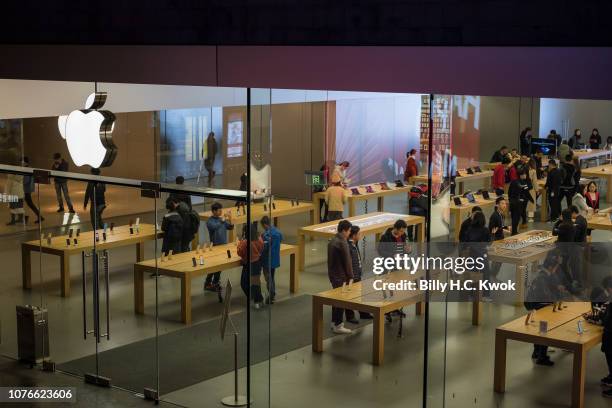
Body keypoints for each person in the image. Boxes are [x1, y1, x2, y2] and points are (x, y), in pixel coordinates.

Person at [525, 250, 564, 366]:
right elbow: (545, 295)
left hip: (536, 307)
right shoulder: (543, 278)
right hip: (542, 308)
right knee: (543, 332)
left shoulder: (542, 275)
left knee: (540, 330)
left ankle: (537, 352)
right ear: (551, 267)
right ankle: (542, 356)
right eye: (555, 267)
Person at [327, 220, 354, 334]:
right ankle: (338, 324)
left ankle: (334, 322)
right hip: (342, 276)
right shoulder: (343, 243)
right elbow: (347, 261)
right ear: (344, 230)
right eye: (349, 231)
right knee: (342, 300)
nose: (349, 234)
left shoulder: (332, 241)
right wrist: (351, 276)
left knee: (335, 299)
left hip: (333, 275)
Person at [204, 202, 234, 291]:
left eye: (221, 210)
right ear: (214, 211)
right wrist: (223, 219)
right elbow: (214, 227)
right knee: (214, 266)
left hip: (223, 246)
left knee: (220, 267)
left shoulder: (222, 219)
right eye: (219, 210)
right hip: (215, 246)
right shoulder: (210, 221)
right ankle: (208, 283)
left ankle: (215, 283)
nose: (221, 212)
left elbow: (230, 227)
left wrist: (230, 218)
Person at [346, 225, 373, 320]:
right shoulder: (348, 246)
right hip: (352, 275)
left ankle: (363, 313)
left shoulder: (355, 243)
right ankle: (350, 316)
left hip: (357, 273)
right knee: (349, 296)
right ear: (354, 235)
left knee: (360, 294)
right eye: (359, 233)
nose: (361, 235)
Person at [465, 211, 493, 299]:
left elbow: (466, 242)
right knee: (485, 275)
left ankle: (472, 293)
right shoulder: (485, 230)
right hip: (482, 256)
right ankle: (485, 295)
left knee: (472, 275)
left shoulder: (469, 229)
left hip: (472, 255)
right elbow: (489, 243)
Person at [238, 223, 265, 308]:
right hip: (257, 263)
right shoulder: (259, 239)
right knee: (256, 282)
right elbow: (262, 248)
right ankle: (259, 299)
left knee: (244, 283)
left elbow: (240, 252)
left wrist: (240, 243)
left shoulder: (245, 242)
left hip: (248, 264)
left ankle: (253, 297)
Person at [260, 215, 282, 304]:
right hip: (275, 258)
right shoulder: (278, 232)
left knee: (268, 278)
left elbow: (264, 247)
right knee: (272, 277)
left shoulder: (266, 235)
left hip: (267, 259)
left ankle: (271, 294)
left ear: (265, 224)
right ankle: (272, 293)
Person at [508, 169, 533, 235]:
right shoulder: (523, 183)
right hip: (518, 202)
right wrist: (531, 199)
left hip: (512, 201)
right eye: (524, 174)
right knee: (516, 218)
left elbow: (509, 192)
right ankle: (514, 232)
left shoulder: (513, 181)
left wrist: (510, 199)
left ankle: (514, 231)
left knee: (513, 217)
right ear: (520, 175)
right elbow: (525, 192)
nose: (525, 175)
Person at [21, 157, 43, 223]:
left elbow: (26, 181)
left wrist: (19, 182)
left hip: (26, 189)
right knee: (28, 204)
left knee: (29, 204)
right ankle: (39, 217)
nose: (21, 163)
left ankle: (39, 217)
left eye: (22, 162)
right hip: (28, 189)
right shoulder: (29, 168)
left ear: (25, 162)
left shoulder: (27, 169)